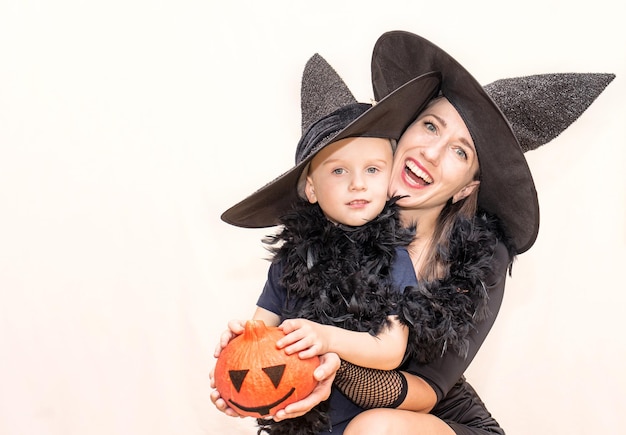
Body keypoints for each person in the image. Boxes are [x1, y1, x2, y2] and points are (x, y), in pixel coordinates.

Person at [214, 30, 614, 434]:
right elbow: (271, 342)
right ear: (401, 132)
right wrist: (248, 373)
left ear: (467, 187)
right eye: (429, 126)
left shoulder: (482, 258)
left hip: (428, 421)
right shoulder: (326, 236)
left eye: (461, 151)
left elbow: (428, 389)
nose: (432, 152)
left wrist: (332, 367)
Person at [213, 53, 442, 434]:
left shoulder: (393, 258)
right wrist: (238, 349)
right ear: (311, 189)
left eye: (372, 169)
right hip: (298, 419)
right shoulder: (290, 261)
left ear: (389, 180)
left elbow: (389, 350)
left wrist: (324, 336)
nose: (357, 183)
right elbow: (262, 330)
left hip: (362, 424)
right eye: (339, 170)